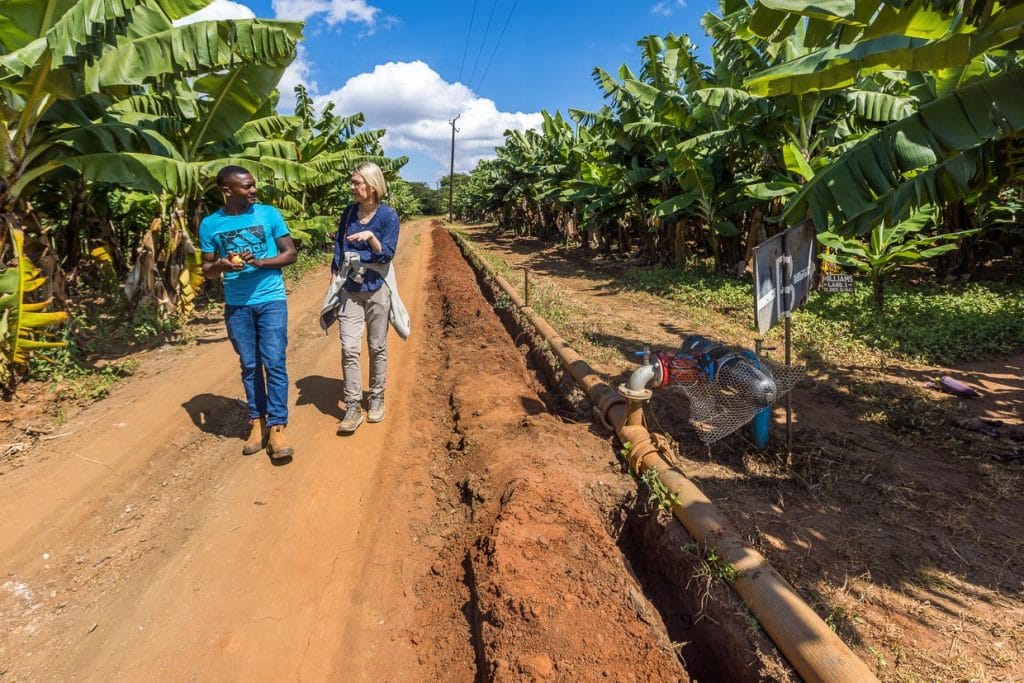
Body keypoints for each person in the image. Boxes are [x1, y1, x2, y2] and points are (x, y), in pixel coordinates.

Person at [200, 165, 297, 459]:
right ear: (227, 191)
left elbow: (290, 253)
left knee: (275, 361)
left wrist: (261, 262)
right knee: (250, 365)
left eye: (253, 185)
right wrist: (222, 266)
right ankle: (257, 422)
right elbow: (206, 270)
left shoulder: (269, 214)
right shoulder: (209, 225)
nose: (253, 190)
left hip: (271, 299)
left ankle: (278, 427)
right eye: (246, 187)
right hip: (237, 304)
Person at [331, 162, 402, 434]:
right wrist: (334, 281)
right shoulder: (349, 213)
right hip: (349, 288)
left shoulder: (388, 216)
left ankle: (376, 397)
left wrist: (371, 237)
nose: (352, 187)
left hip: (376, 288)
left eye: (356, 183)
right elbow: (339, 247)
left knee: (376, 346)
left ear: (372, 186)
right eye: (352, 182)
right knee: (349, 347)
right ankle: (351, 405)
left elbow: (386, 254)